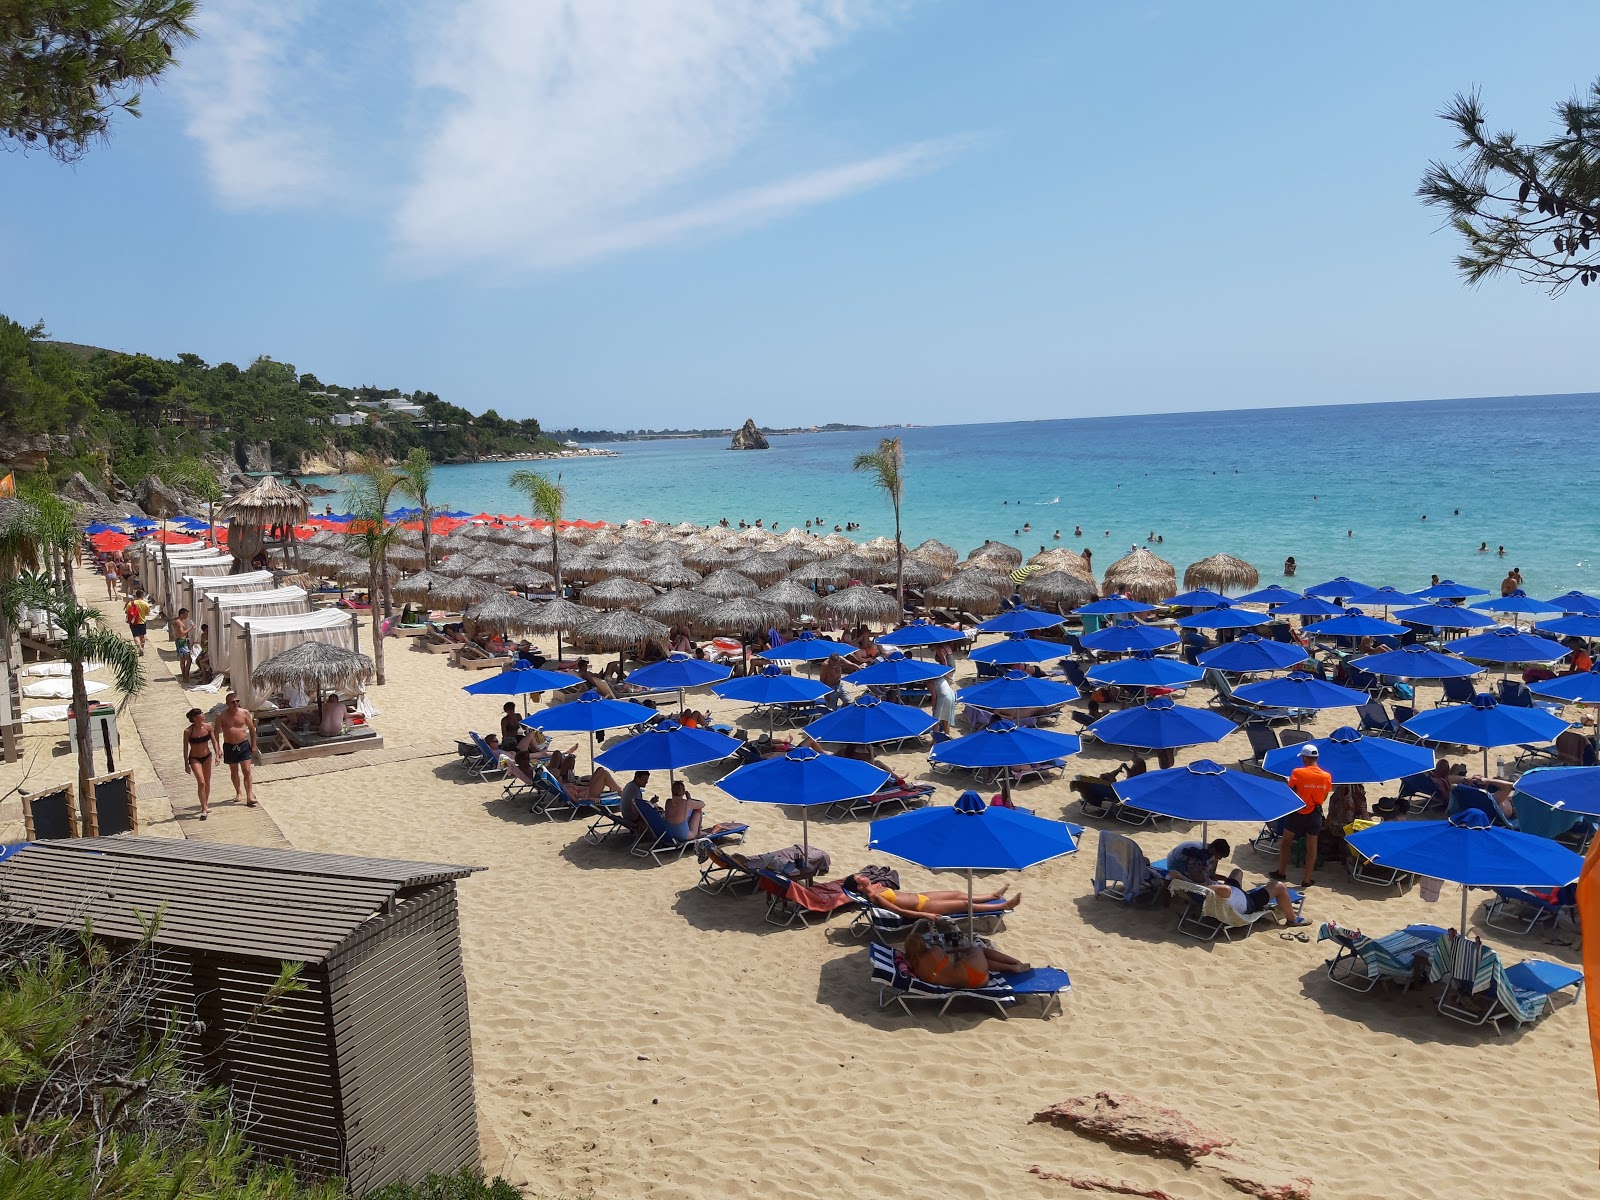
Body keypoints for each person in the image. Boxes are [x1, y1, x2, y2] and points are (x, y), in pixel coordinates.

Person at [904, 918, 1030, 987]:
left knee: (975, 959)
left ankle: (1013, 967)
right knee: (977, 949)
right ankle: (1014, 964)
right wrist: (965, 948)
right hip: (973, 975)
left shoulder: (915, 968)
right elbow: (946, 950)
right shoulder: (933, 951)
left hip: (977, 982)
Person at [1274, 744, 1332, 887]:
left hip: (1298, 811)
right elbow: (1324, 797)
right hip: (1315, 814)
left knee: (1286, 842)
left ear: (1305, 758)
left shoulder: (1297, 772)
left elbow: (1290, 792)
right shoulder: (1326, 776)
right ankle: (1306, 880)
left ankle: (1281, 873)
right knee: (1312, 847)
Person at [842, 875, 1021, 918]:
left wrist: (877, 885)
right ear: (859, 886)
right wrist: (925, 915)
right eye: (861, 877)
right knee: (964, 904)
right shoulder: (875, 897)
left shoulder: (874, 887)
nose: (865, 876)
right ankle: (1001, 906)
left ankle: (993, 895)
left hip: (921, 896)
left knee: (957, 893)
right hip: (922, 907)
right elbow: (899, 910)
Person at [1207, 877, 1307, 926]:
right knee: (1280, 886)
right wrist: (1207, 882)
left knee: (1237, 872)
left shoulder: (1196, 887)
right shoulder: (1218, 889)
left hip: (1237, 895)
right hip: (1249, 903)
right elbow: (1225, 889)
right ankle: (1292, 919)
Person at [217, 692, 258, 807]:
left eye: (237, 701)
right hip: (229, 746)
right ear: (227, 703)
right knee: (234, 771)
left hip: (243, 745)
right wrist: (218, 749)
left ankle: (249, 795)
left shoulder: (244, 713)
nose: (235, 704)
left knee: (247, 770)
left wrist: (254, 744)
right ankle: (238, 792)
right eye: (233, 702)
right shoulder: (221, 716)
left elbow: (252, 729)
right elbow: (215, 734)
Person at [663, 779, 736, 841]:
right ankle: (698, 833)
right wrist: (689, 798)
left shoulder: (668, 801)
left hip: (670, 834)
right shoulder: (687, 803)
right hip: (684, 836)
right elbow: (702, 804)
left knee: (685, 816)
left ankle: (697, 831)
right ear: (683, 791)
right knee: (697, 810)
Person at [182, 707, 219, 820]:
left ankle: (205, 805)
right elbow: (185, 747)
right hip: (195, 758)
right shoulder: (188, 731)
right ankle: (203, 808)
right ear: (194, 718)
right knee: (201, 782)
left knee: (207, 781)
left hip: (207, 756)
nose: (203, 715)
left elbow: (214, 741)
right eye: (200, 714)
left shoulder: (207, 727)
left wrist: (217, 754)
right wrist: (186, 764)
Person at [1167, 838, 1231, 885]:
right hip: (1175, 865)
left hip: (1178, 859)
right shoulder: (1199, 853)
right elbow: (1196, 875)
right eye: (1220, 856)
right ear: (1214, 850)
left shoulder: (1207, 849)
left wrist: (1224, 878)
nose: (1220, 858)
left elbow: (1210, 874)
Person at [171, 607, 195, 685]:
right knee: (188, 660)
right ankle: (185, 676)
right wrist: (191, 628)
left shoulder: (177, 621)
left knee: (183, 660)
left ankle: (185, 676)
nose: (187, 616)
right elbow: (182, 633)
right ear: (182, 614)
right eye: (186, 615)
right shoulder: (179, 622)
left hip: (181, 642)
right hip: (182, 643)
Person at [125, 589, 151, 655]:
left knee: (136, 636)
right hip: (142, 622)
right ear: (142, 595)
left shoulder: (131, 603)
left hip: (133, 622)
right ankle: (142, 648)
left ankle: (139, 648)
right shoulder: (145, 604)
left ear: (136, 595)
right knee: (142, 636)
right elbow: (147, 613)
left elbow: (126, 611)